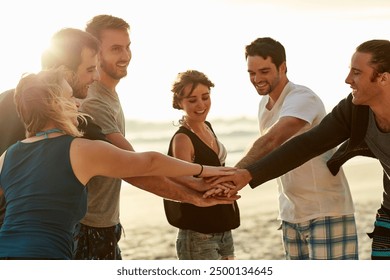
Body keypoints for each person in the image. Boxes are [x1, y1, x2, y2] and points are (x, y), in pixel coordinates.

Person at [0, 68, 238, 260]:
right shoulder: (80, 149)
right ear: (53, 104)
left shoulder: (8, 155)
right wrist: (205, 170)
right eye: (69, 96)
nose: (78, 103)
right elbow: (149, 162)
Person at [211, 39, 390, 260]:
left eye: (357, 72)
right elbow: (307, 144)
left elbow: (274, 139)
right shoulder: (355, 110)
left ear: (383, 78)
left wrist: (237, 174)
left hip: (325, 210)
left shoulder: (302, 97)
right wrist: (247, 174)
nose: (347, 79)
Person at [75, 14, 231, 260]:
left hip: (105, 223)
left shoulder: (108, 95)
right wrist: (194, 194)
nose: (125, 55)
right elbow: (134, 166)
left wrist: (197, 186)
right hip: (87, 226)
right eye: (116, 48)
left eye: (127, 47)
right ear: (94, 51)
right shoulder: (94, 102)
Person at [0, 27, 103, 228]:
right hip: (36, 237)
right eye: (90, 69)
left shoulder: (5, 98)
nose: (97, 76)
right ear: (64, 72)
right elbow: (135, 169)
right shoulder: (70, 119)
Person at [164, 70, 240, 260]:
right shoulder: (182, 138)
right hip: (199, 232)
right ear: (180, 102)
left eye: (205, 97)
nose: (201, 105)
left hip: (223, 227)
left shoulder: (208, 127)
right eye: (192, 100)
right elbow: (180, 179)